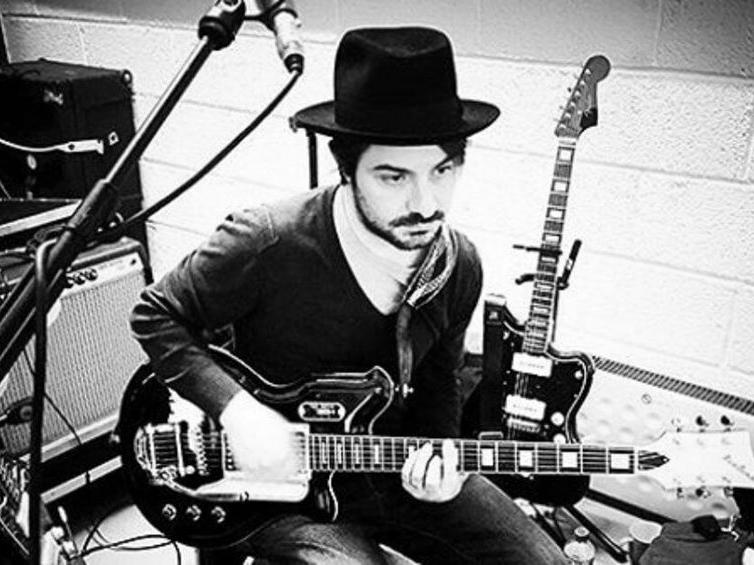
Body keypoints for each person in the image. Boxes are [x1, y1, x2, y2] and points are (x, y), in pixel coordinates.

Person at [131, 26, 568, 564]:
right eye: (393, 177)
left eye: (442, 170)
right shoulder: (267, 240)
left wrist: (442, 461)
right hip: (279, 489)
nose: (425, 203)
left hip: (391, 468)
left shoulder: (458, 266)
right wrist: (238, 412)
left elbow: (439, 386)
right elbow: (155, 314)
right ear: (346, 167)